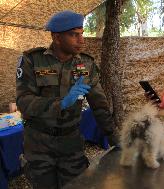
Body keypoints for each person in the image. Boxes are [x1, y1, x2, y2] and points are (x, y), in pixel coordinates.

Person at [16, 10, 118, 188]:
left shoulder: (86, 64)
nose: (81, 40)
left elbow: (99, 105)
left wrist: (114, 136)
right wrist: (61, 103)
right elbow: (23, 101)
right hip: (39, 145)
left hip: (71, 144)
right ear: (56, 37)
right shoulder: (32, 60)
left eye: (82, 34)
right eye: (74, 35)